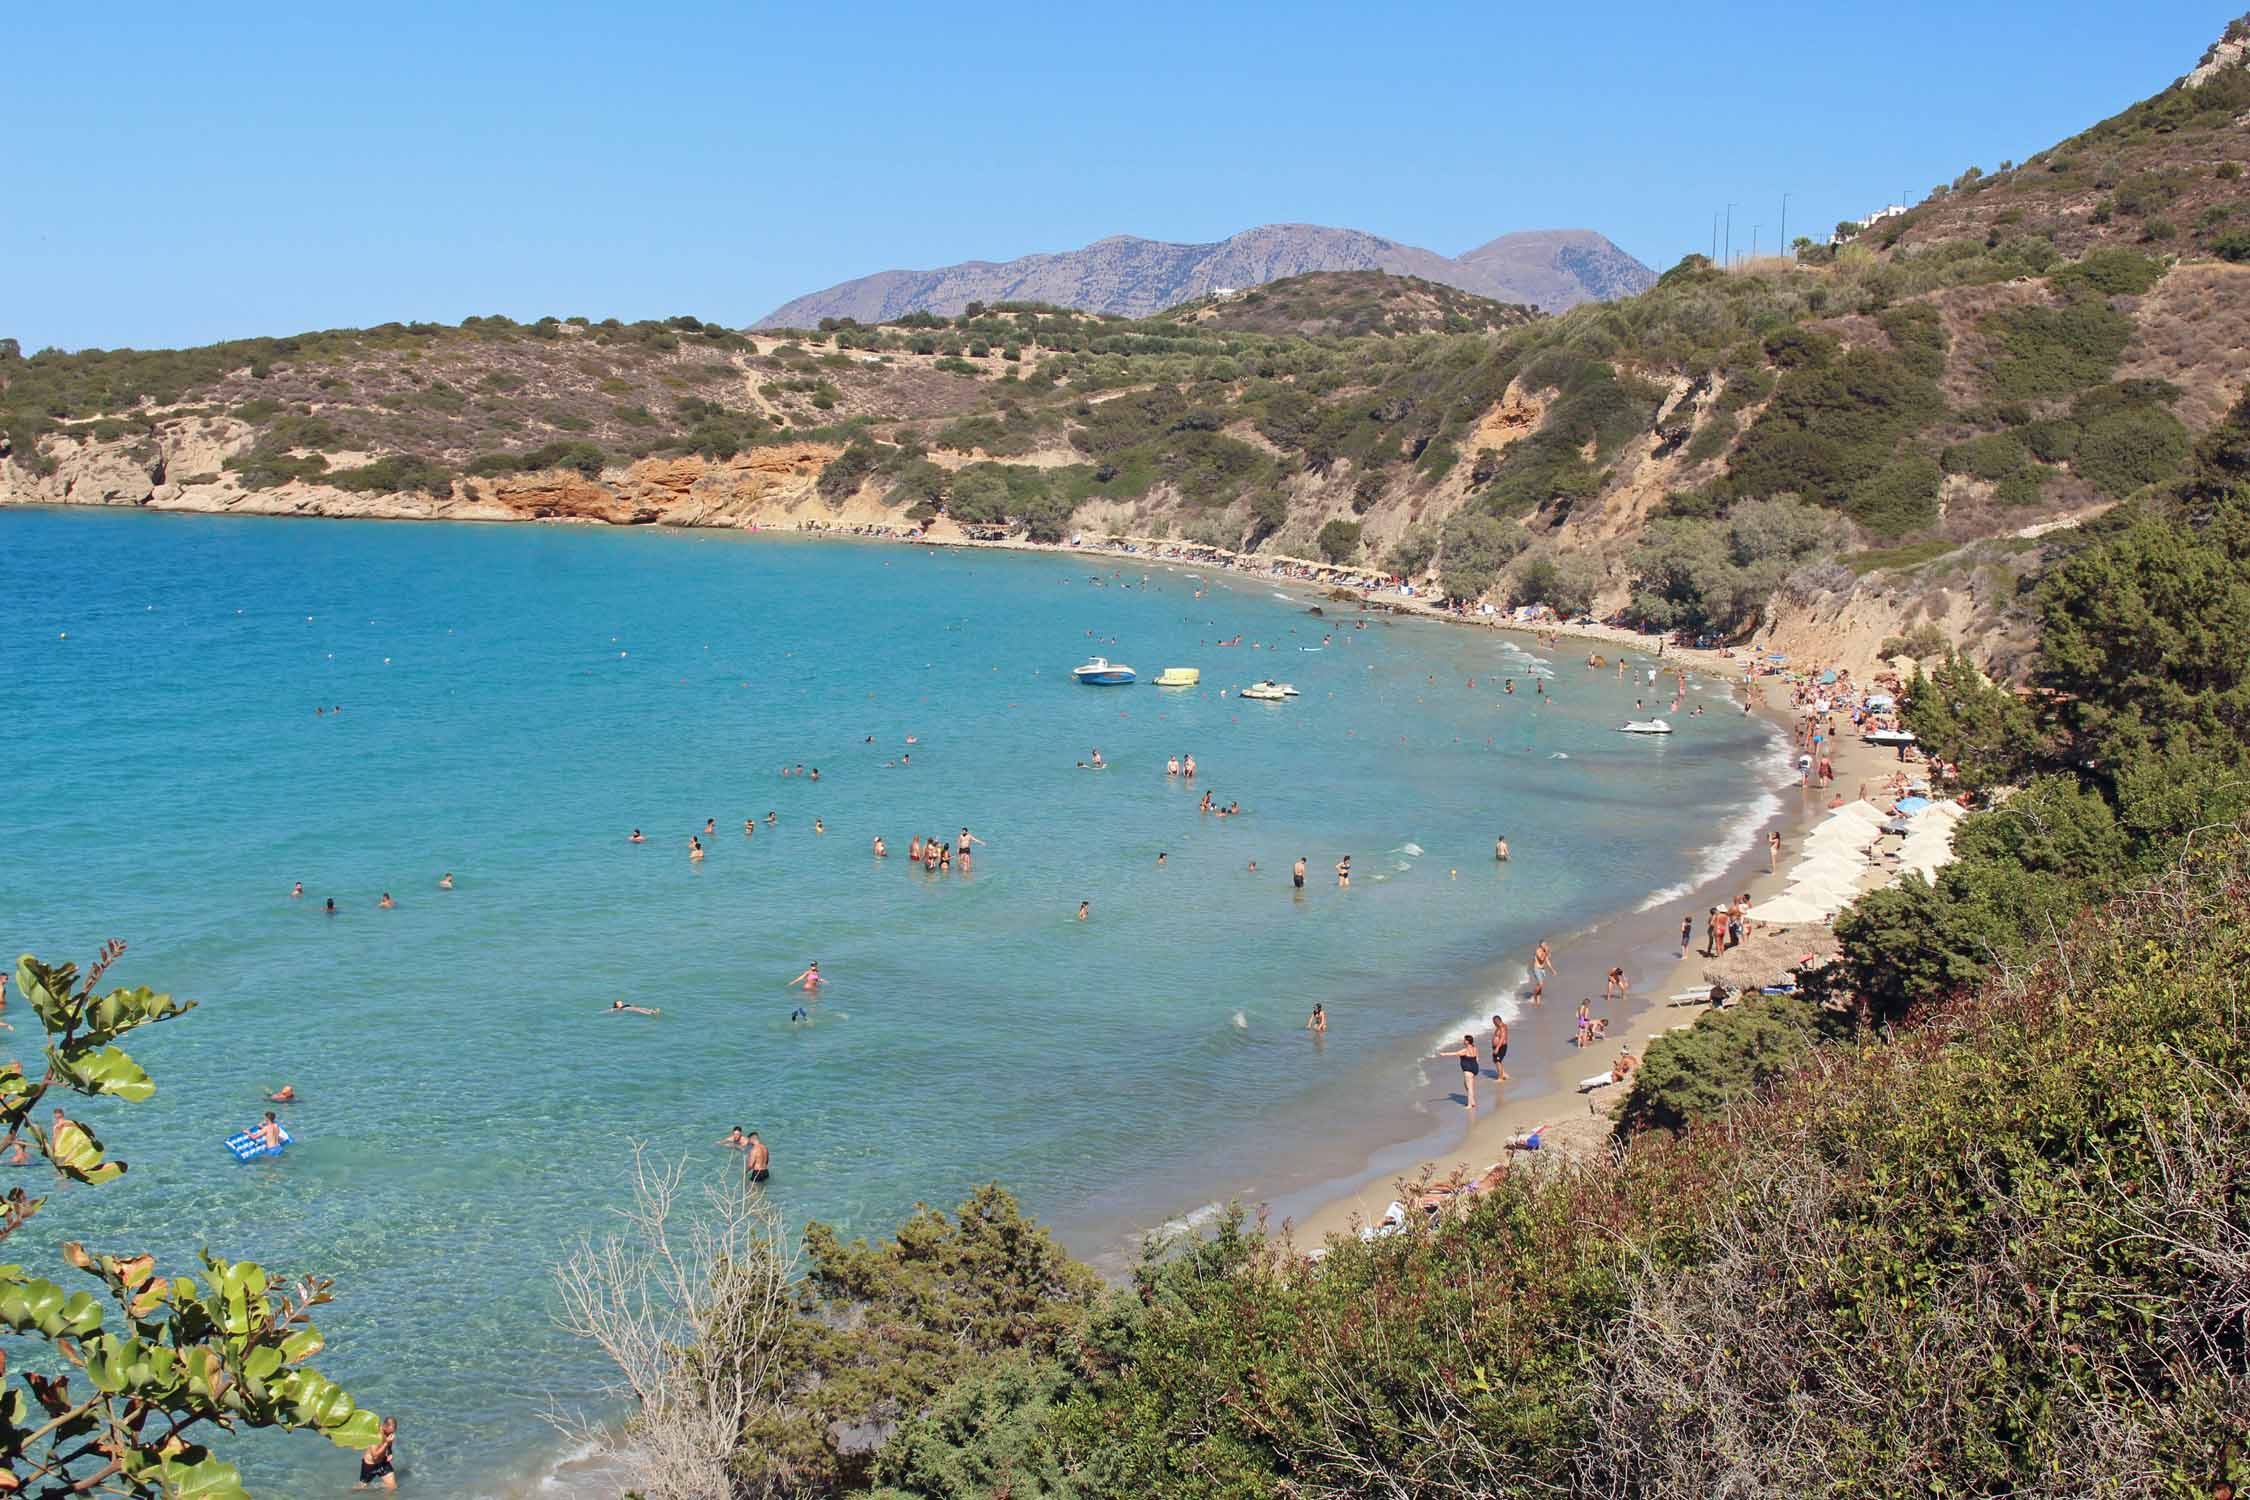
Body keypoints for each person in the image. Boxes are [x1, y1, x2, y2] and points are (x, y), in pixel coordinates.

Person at [1434, 1035, 1479, 1110]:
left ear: (1467, 1042)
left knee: (1469, 1087)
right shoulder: (1475, 1048)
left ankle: (1469, 1105)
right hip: (1475, 1068)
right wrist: (1474, 1065)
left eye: (1464, 1040)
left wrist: (1444, 1054)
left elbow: (1454, 1053)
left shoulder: (1465, 1051)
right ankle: (1473, 1101)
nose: (1463, 1041)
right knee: (1466, 1084)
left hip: (1468, 1069)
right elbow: (1477, 1058)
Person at [354, 1415, 398, 1491]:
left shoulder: (389, 1432)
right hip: (370, 1465)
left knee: (392, 1487)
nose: (391, 1434)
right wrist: (386, 1443)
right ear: (384, 1426)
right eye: (390, 1432)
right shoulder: (375, 1434)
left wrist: (390, 1453)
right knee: (360, 1488)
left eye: (393, 1432)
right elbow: (374, 1455)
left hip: (383, 1462)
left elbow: (389, 1444)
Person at [1489, 1014, 1510, 1081]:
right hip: (1498, 1047)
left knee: (1497, 1061)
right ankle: (1504, 1074)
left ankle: (1500, 1078)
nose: (1494, 1024)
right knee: (1497, 1061)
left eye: (1494, 1022)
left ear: (1497, 1021)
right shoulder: (1500, 1026)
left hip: (1500, 1047)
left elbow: (1502, 1038)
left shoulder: (1502, 1027)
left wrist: (1497, 1048)